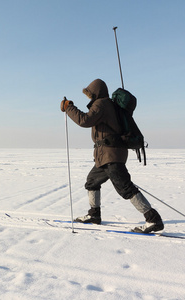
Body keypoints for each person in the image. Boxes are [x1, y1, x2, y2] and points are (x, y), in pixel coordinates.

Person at [60, 79, 164, 233]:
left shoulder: (101, 104)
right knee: (92, 182)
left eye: (89, 94)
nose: (89, 97)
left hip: (111, 154)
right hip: (106, 155)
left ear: (95, 92)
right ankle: (94, 215)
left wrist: (69, 108)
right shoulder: (107, 105)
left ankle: (153, 219)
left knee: (125, 188)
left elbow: (85, 120)